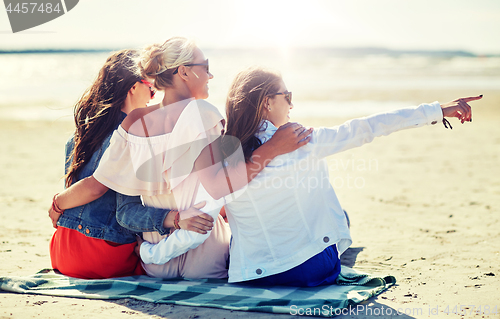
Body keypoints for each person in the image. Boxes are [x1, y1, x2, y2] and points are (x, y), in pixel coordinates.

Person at [145, 66, 479, 287]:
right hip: (309, 272)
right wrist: (437, 110)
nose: (292, 103)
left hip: (252, 278)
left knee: (236, 223)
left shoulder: (221, 153)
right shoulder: (302, 140)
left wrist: (150, 256)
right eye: (286, 96)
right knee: (338, 218)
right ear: (265, 103)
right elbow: (368, 127)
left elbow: (201, 219)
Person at [49, 38, 312, 279]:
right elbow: (225, 187)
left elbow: (125, 213)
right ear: (184, 72)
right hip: (205, 254)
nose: (211, 74)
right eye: (205, 66)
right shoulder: (205, 113)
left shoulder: (133, 122)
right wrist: (272, 148)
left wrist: (172, 221)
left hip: (156, 263)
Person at [49, 49, 215, 279]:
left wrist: (58, 203)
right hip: (103, 257)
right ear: (133, 87)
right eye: (150, 86)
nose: (153, 95)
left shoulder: (81, 135)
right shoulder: (132, 139)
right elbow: (120, 207)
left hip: (62, 252)